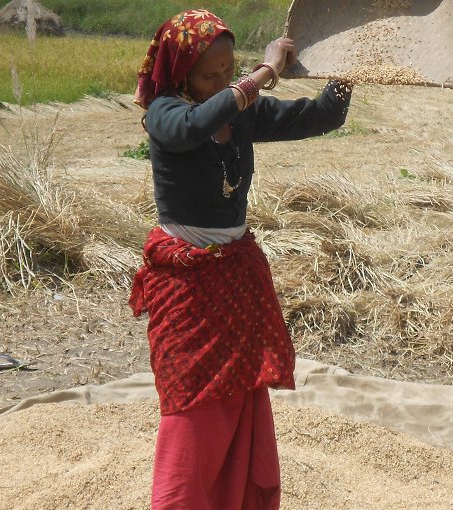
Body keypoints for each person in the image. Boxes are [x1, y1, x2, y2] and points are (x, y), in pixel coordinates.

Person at [128, 9, 352, 509]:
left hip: (234, 275)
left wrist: (344, 67)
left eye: (229, 71)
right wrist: (264, 73)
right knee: (188, 399)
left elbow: (323, 116)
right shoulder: (165, 114)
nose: (222, 81)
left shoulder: (238, 110)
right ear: (181, 72)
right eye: (210, 74)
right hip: (185, 284)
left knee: (239, 389)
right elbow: (195, 126)